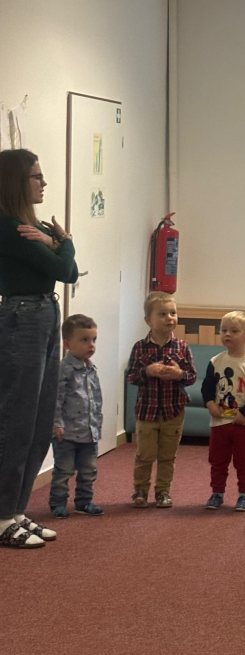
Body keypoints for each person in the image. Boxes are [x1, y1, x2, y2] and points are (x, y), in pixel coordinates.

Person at [0, 149, 78, 549]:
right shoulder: (10, 227)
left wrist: (53, 241)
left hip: (45, 314)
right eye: (36, 176)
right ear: (17, 182)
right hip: (23, 318)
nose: (44, 183)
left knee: (41, 421)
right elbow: (65, 269)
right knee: (18, 420)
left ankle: (16, 510)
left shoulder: (31, 227)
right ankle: (2, 516)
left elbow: (66, 271)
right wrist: (64, 242)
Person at [125, 291, 196, 509]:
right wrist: (147, 371)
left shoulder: (182, 347)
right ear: (149, 320)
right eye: (162, 314)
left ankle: (163, 491)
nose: (169, 318)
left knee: (167, 456)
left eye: (173, 313)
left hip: (173, 411)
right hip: (147, 411)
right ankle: (140, 491)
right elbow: (131, 377)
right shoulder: (140, 347)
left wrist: (179, 374)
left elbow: (191, 377)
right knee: (144, 454)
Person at [201, 311, 245, 511]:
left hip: (244, 423)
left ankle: (244, 495)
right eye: (224, 330)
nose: (227, 334)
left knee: (243, 461)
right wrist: (210, 403)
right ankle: (217, 493)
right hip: (219, 422)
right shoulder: (216, 361)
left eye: (234, 331)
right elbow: (207, 387)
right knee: (217, 460)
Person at [49, 314, 103, 518]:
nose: (91, 345)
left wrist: (97, 425)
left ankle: (84, 501)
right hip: (67, 434)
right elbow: (56, 399)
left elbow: (96, 399)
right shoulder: (64, 369)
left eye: (93, 340)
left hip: (89, 432)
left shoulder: (91, 369)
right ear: (67, 344)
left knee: (89, 471)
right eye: (84, 340)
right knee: (64, 470)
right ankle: (57, 503)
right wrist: (57, 424)